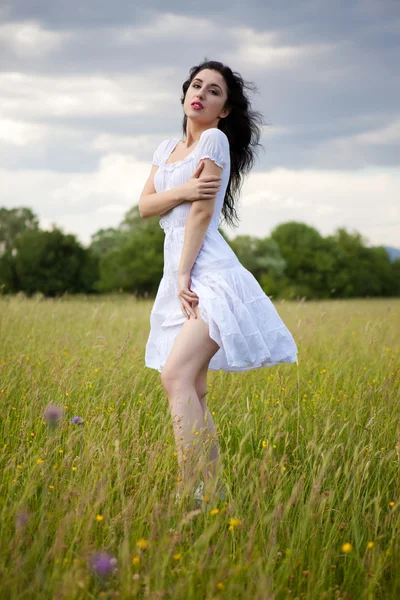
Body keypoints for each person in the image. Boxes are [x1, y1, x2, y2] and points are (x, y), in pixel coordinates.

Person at [139, 59, 298, 509]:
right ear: (184, 93)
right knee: (195, 388)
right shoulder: (168, 146)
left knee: (175, 376)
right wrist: (183, 192)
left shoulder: (213, 139)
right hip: (181, 272)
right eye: (196, 85)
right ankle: (212, 493)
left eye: (213, 91)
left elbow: (203, 215)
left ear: (224, 110)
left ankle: (192, 490)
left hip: (206, 271)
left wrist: (186, 273)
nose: (201, 94)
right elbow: (145, 207)